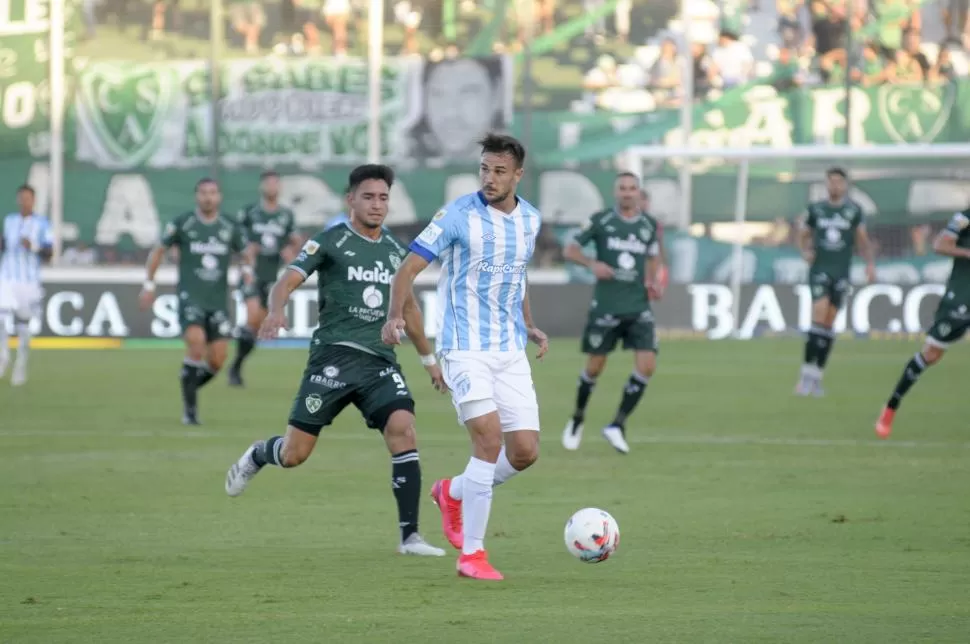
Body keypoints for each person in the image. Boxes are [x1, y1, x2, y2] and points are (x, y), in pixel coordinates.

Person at [224, 164, 447, 557]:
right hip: (333, 358)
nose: (377, 205)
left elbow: (409, 308)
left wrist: (428, 359)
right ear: (351, 200)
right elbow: (286, 280)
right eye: (369, 196)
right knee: (295, 455)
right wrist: (276, 310)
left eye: (383, 198)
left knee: (403, 427)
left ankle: (409, 536)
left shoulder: (397, 252)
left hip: (379, 362)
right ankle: (259, 454)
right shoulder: (329, 241)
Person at [382, 133, 549, 581]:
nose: (490, 178)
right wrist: (395, 314)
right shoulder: (457, 215)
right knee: (488, 440)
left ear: (518, 175)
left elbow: (518, 277)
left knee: (525, 451)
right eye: (484, 169)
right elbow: (409, 267)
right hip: (464, 348)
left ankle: (453, 491)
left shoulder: (530, 220)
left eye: (499, 171)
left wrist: (529, 324)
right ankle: (472, 555)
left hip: (509, 350)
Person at [560, 173, 665, 454]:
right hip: (607, 306)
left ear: (638, 193)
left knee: (648, 366)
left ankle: (617, 424)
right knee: (594, 368)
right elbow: (570, 250)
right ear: (615, 192)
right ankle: (578, 417)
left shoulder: (649, 224)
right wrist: (592, 264)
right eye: (623, 188)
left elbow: (654, 256)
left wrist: (653, 280)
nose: (628, 193)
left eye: (633, 189)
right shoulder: (601, 221)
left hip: (638, 306)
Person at [139, 178, 256, 425]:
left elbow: (245, 255)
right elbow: (158, 251)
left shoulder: (229, 226)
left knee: (217, 360)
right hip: (190, 297)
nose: (208, 197)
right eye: (203, 193)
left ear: (219, 197)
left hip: (218, 301)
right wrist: (149, 285)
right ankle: (190, 411)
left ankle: (188, 383)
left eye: (212, 193)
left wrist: (247, 273)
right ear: (196, 196)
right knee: (196, 343)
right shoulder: (183, 223)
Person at [875, 207, 970, 438]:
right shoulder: (964, 218)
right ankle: (891, 406)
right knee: (931, 355)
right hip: (962, 295)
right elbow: (940, 245)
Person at [795, 168, 876, 396]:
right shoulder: (816, 209)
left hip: (841, 272)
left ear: (846, 185)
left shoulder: (853, 211)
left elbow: (862, 240)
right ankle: (805, 374)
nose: (835, 186)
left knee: (829, 324)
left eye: (839, 182)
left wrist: (870, 264)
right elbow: (802, 233)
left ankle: (817, 376)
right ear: (826, 185)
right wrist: (805, 251)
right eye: (831, 182)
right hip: (820, 269)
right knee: (818, 316)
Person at [229, 171, 301, 387]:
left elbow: (295, 241)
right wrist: (246, 250)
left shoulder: (286, 215)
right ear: (262, 187)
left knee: (255, 328)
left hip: (272, 277)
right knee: (252, 316)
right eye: (268, 183)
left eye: (275, 183)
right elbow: (237, 239)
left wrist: (291, 250)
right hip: (251, 273)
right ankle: (233, 366)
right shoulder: (250, 212)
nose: (272, 187)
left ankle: (236, 365)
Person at [0, 185, 53, 386]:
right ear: (17, 199)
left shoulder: (42, 223)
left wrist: (34, 246)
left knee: (23, 324)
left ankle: (21, 364)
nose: (24, 201)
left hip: (28, 281)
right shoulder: (9, 221)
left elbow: (49, 254)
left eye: (28, 198)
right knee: (1, 318)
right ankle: (3, 357)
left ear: (34, 200)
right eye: (21, 198)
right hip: (6, 276)